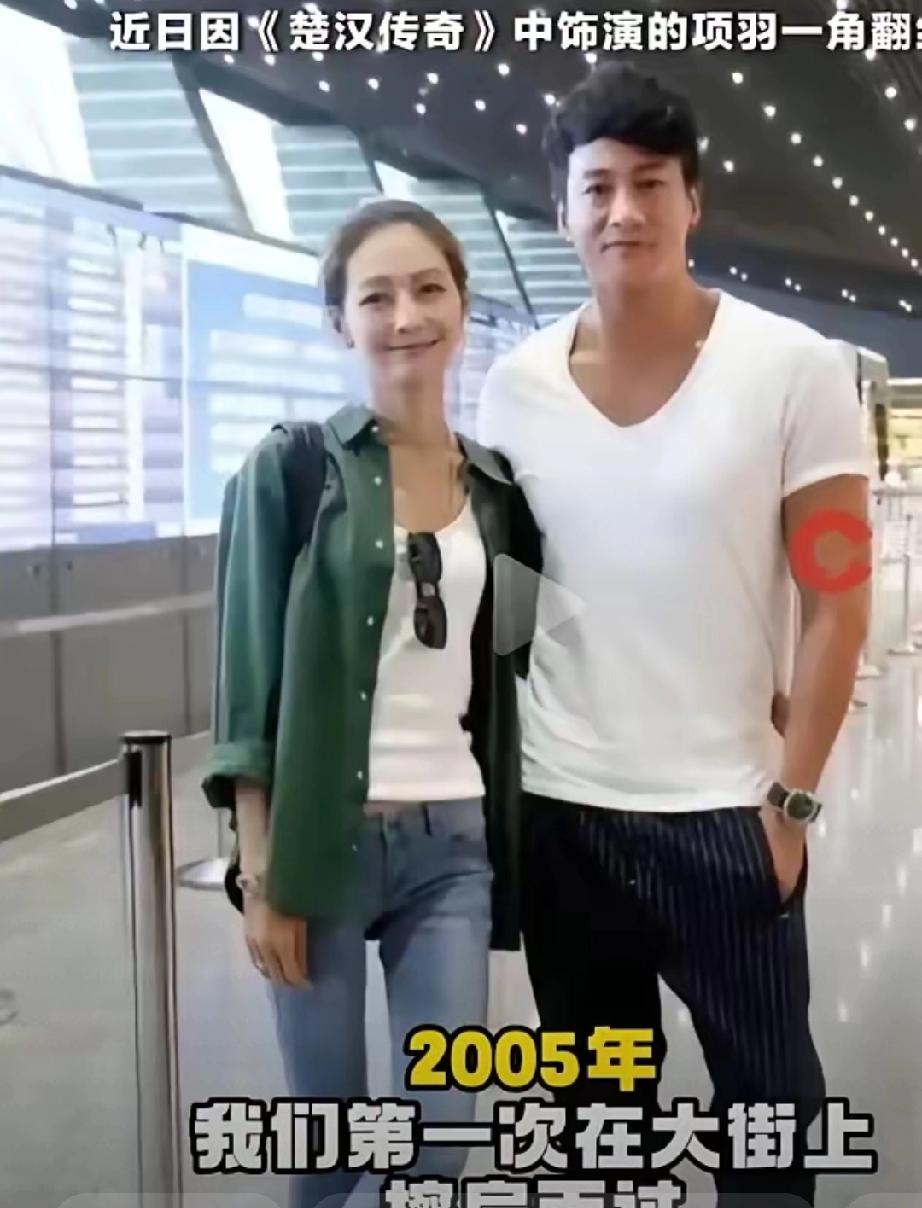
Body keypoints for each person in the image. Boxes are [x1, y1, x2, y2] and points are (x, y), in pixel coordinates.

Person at [478, 63, 871, 1206]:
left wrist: (790, 805)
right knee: (598, 1134)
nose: (623, 210)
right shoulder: (512, 387)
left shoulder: (793, 368)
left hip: (727, 815)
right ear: (562, 210)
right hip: (564, 815)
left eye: (650, 183)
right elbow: (515, 596)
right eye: (597, 186)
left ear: (692, 201)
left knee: (769, 1126)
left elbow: (839, 598)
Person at [202, 198, 539, 1208]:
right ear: (339, 322)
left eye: (429, 289)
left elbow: (523, 658)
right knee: (330, 1145)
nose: (405, 316)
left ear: (463, 307)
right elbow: (246, 682)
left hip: (453, 849)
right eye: (376, 296)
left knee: (439, 1139)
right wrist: (262, 867)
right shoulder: (292, 468)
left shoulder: (499, 492)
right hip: (319, 846)